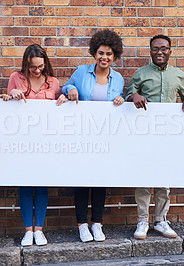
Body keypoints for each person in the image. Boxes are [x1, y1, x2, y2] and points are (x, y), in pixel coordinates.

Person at [125, 34, 184, 240]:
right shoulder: (141, 73)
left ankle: (161, 220)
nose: (160, 52)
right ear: (150, 51)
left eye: (164, 48)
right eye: (156, 48)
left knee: (164, 179)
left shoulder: (178, 74)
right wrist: (134, 96)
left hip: (168, 135)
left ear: (170, 51)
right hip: (144, 134)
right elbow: (130, 94)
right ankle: (142, 221)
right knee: (144, 178)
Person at [0, 44, 67, 246]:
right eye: (32, 67)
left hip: (46, 142)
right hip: (22, 142)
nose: (37, 71)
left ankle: (40, 229)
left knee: (42, 185)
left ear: (45, 63)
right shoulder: (15, 78)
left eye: (40, 66)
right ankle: (28, 231)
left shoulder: (53, 82)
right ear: (25, 64)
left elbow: (59, 110)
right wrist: (10, 95)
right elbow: (5, 105)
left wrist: (63, 99)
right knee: (25, 185)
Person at [61, 29, 125, 243]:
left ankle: (97, 223)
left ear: (114, 56)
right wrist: (71, 89)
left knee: (100, 181)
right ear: (94, 53)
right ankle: (82, 225)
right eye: (100, 53)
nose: (104, 57)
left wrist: (120, 100)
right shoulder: (81, 71)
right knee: (81, 180)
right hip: (81, 135)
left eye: (108, 54)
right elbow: (65, 86)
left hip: (104, 137)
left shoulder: (118, 79)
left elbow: (119, 101)